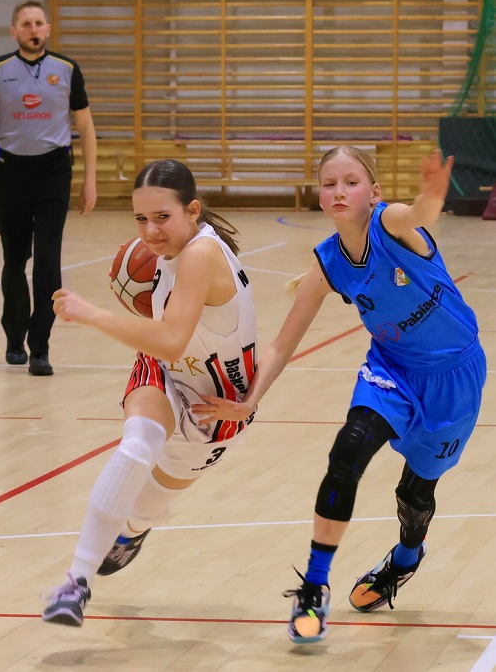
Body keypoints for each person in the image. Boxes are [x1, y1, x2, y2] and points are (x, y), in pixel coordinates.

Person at [192, 147, 486, 644]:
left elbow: (419, 213)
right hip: (391, 371)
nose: (339, 191)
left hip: (453, 376)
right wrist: (250, 401)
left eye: (351, 181)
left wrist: (433, 195)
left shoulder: (389, 223)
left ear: (373, 192)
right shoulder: (329, 262)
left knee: (415, 495)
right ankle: (314, 586)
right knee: (347, 451)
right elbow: (283, 343)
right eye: (329, 184)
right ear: (321, 197)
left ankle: (406, 558)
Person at [41, 158, 257, 627]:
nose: (150, 231)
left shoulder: (201, 253)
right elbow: (166, 347)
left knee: (143, 509)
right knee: (138, 444)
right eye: (141, 218)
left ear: (192, 211)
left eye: (162, 217)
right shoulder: (166, 251)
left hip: (216, 406)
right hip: (165, 371)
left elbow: (173, 338)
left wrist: (92, 314)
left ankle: (134, 530)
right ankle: (75, 584)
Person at [0, 0, 97, 376]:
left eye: (39, 23)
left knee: (48, 260)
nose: (33, 30)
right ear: (14, 31)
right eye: (26, 24)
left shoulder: (66, 69)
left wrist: (90, 181)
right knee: (15, 260)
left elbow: (85, 126)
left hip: (53, 171)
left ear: (47, 29)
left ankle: (40, 348)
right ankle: (15, 337)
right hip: (12, 172)